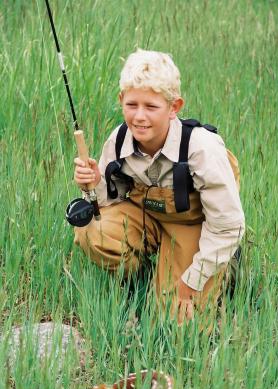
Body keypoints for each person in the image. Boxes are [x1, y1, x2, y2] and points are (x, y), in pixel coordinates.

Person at [73, 49, 245, 327]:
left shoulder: (201, 149)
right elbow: (104, 205)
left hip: (195, 226)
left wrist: (191, 282)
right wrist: (92, 185)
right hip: (149, 217)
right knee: (94, 232)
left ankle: (225, 265)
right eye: (132, 104)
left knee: (176, 326)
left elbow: (228, 226)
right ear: (121, 100)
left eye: (151, 107)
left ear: (174, 107)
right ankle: (147, 273)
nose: (139, 116)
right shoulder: (118, 140)